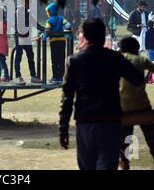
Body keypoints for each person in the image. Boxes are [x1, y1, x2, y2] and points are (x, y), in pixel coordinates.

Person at [59, 18, 144, 170]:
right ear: (104, 35)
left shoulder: (74, 60)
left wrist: (63, 128)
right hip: (110, 122)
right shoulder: (115, 58)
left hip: (85, 123)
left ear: (84, 36)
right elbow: (137, 79)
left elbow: (67, 97)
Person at [117, 37, 154, 170]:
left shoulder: (116, 60)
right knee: (151, 133)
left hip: (122, 107)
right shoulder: (141, 59)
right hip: (142, 105)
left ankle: (124, 161)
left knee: (124, 135)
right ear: (136, 49)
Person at [13, 0, 43, 85]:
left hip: (26, 37)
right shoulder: (18, 12)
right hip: (20, 37)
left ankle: (33, 76)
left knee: (30, 56)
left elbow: (34, 23)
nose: (30, 4)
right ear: (23, 3)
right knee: (18, 56)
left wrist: (44, 29)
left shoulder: (27, 12)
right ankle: (18, 76)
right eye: (28, 3)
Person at [45, 2, 69, 83]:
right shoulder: (61, 18)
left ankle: (55, 77)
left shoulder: (49, 20)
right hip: (62, 41)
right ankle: (61, 77)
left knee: (54, 60)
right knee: (62, 59)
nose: (47, 14)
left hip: (54, 42)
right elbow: (68, 26)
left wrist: (45, 35)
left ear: (50, 11)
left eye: (47, 12)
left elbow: (47, 30)